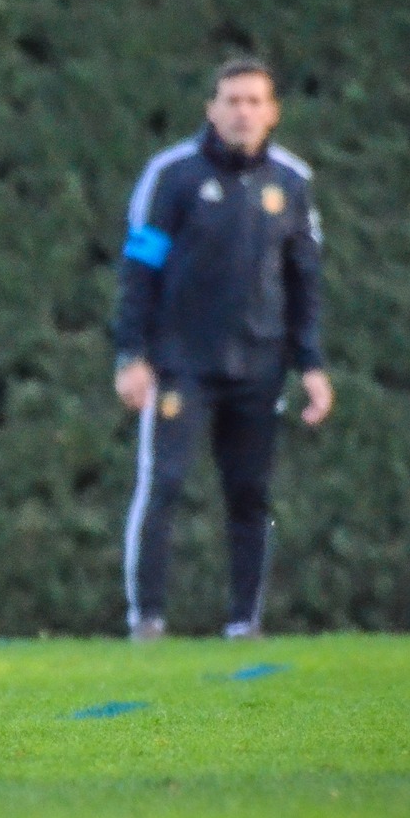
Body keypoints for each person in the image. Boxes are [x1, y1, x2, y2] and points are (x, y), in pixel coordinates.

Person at [111, 57, 333, 640]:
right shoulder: (174, 175)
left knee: (250, 495)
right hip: (182, 365)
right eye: (233, 100)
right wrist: (131, 354)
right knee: (164, 487)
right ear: (212, 108)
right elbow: (140, 269)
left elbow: (305, 279)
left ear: (273, 112)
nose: (243, 112)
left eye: (255, 101)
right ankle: (148, 622)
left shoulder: (292, 182)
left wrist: (310, 364)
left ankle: (243, 623)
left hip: (260, 366)